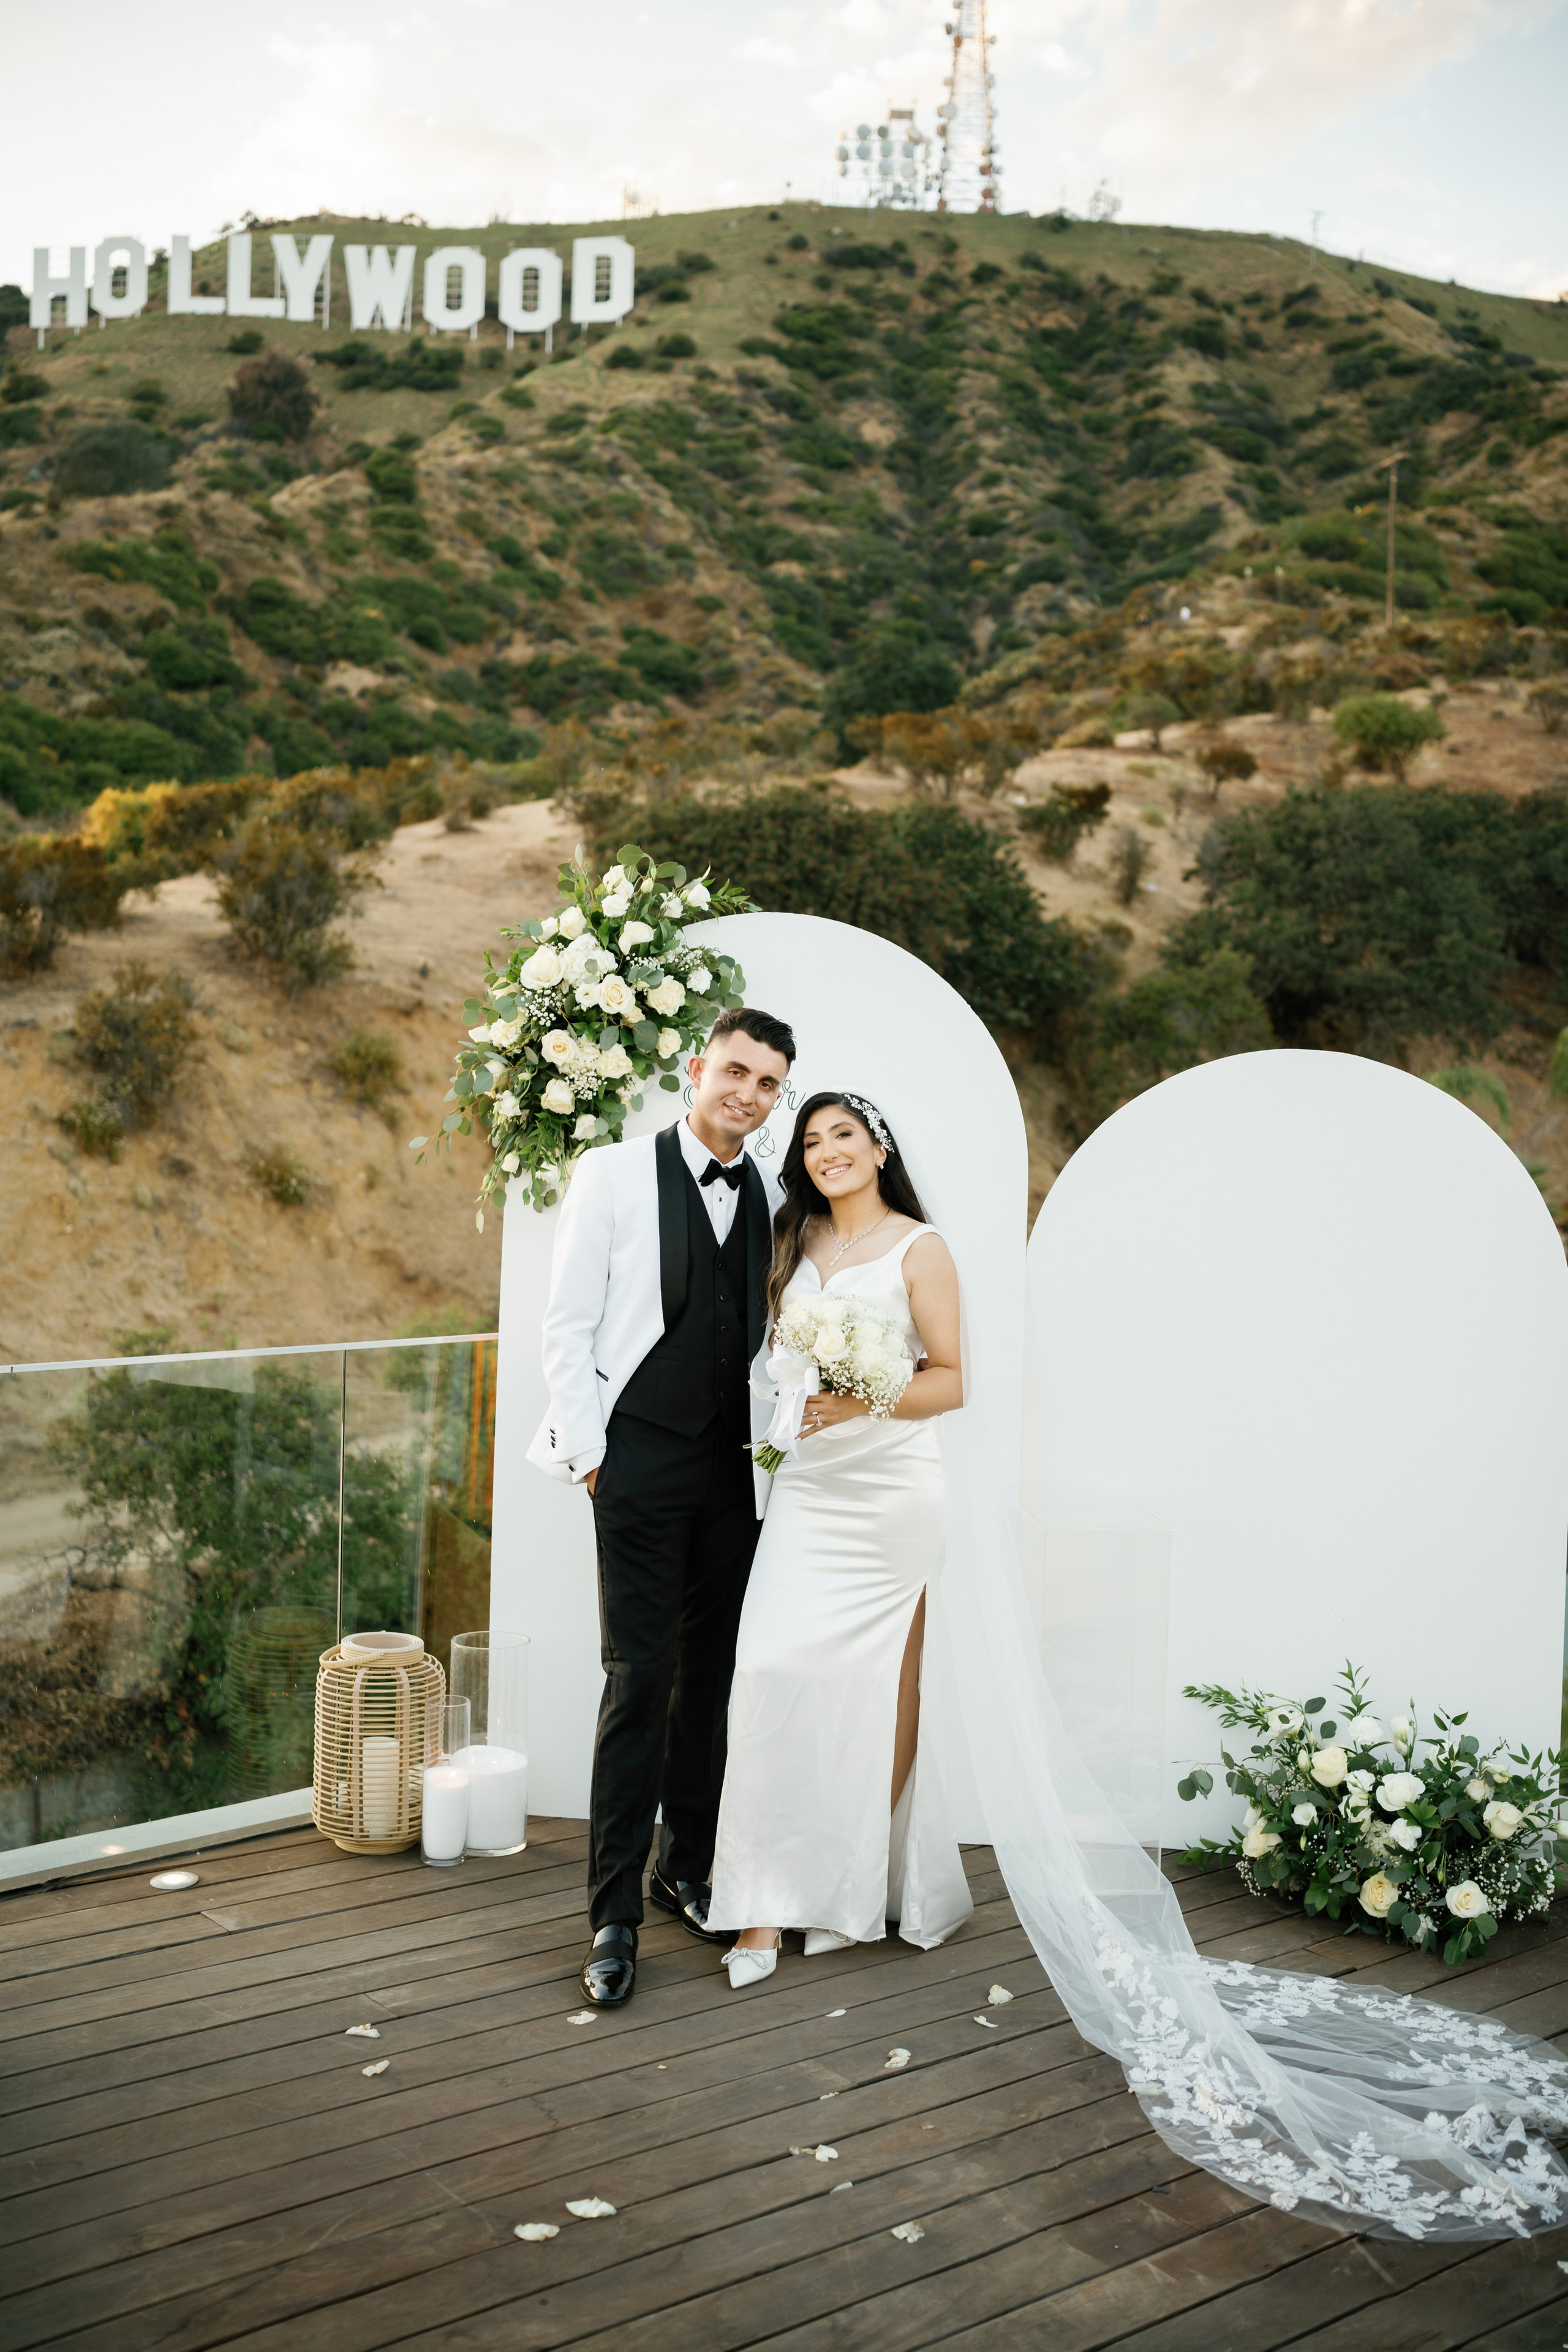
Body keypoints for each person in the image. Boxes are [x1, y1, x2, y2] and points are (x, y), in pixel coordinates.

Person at [527, 1005, 796, 2007]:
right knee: (638, 1678)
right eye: (736, 1072)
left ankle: (685, 1864)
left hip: (736, 1473)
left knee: (713, 1678)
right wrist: (595, 1457)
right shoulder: (610, 1173)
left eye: (768, 1083)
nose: (748, 1095)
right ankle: (610, 1916)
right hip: (637, 1463)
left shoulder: (773, 1190)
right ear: (696, 1069)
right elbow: (567, 1325)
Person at [707, 1092, 974, 1981]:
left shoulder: (919, 1247)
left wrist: (864, 1395)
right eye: (814, 1141)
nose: (828, 1152)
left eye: (844, 1136)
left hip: (893, 1494)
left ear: (879, 1146)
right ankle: (758, 1907)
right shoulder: (795, 1239)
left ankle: (845, 1889)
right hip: (813, 1489)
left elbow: (951, 1383)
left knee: (872, 1694)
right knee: (771, 1672)